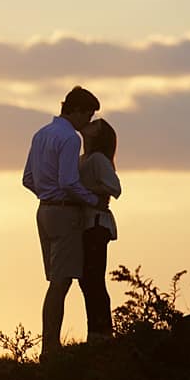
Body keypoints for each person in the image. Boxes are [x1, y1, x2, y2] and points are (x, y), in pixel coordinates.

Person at [22, 86, 102, 357]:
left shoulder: (41, 134)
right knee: (61, 281)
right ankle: (51, 348)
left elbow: (28, 179)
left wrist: (47, 195)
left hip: (43, 211)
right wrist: (91, 199)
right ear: (77, 111)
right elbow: (68, 181)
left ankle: (50, 345)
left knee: (57, 280)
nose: (88, 122)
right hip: (65, 212)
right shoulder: (69, 139)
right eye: (88, 115)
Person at [78, 118, 121, 341]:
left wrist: (86, 190)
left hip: (96, 224)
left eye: (96, 125)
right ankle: (96, 331)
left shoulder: (97, 160)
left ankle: (101, 332)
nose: (90, 124)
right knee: (87, 279)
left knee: (93, 278)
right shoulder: (83, 159)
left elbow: (115, 188)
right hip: (86, 224)